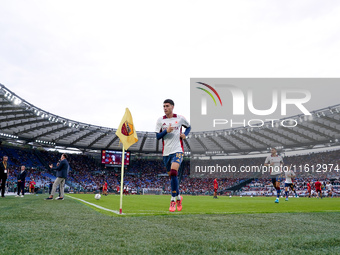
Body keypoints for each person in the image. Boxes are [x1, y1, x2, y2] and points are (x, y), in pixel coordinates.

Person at [156, 99, 191, 212]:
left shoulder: (180, 118)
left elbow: (189, 127)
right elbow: (157, 136)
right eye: (164, 106)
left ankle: (172, 200)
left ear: (172, 107)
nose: (165, 108)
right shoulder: (160, 120)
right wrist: (166, 131)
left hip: (178, 150)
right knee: (172, 177)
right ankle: (179, 197)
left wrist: (184, 134)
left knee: (173, 172)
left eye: (167, 106)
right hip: (166, 153)